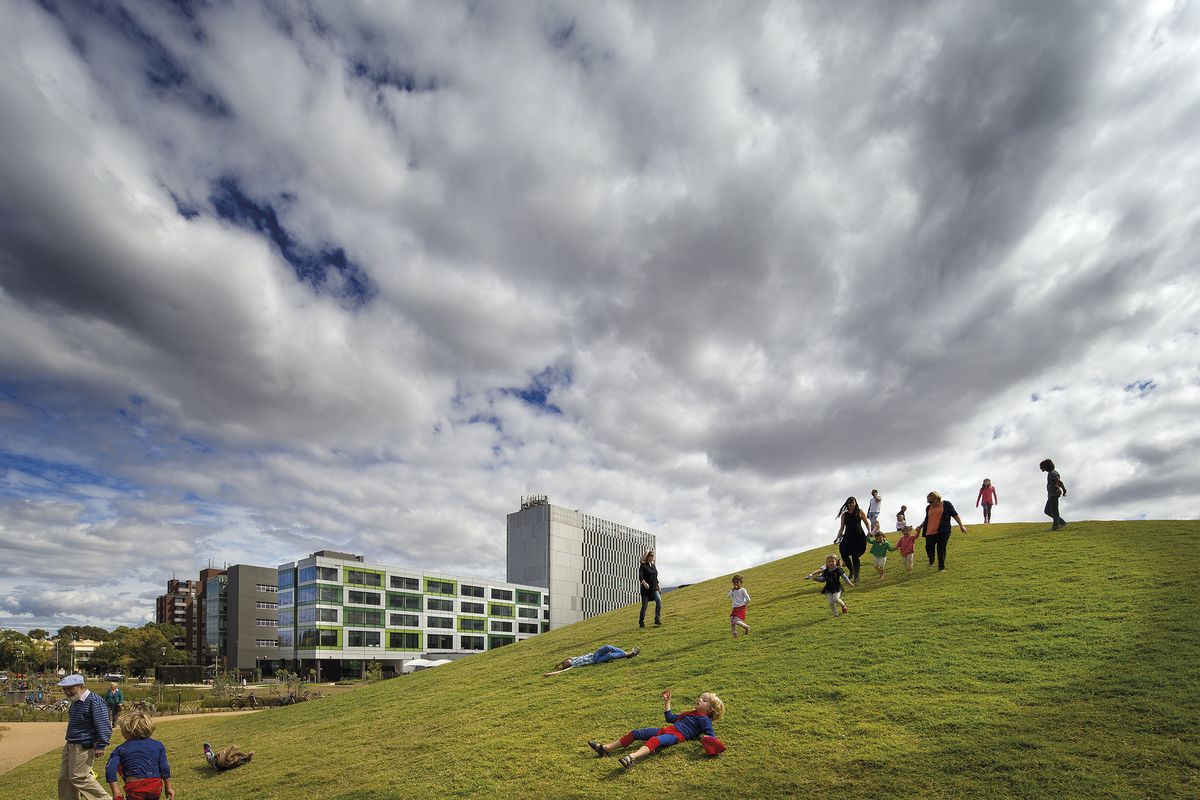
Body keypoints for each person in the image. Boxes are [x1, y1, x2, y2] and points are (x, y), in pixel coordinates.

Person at [587, 689, 724, 768]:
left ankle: (631, 757)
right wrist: (667, 702)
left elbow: (711, 735)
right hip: (667, 729)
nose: (699, 700)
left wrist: (706, 739)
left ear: (710, 709)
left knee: (655, 740)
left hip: (676, 736)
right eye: (700, 698)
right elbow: (670, 718)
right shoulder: (689, 713)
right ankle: (606, 748)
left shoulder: (704, 720)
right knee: (636, 733)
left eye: (704, 700)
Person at [57, 673, 111, 800]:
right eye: (65, 689)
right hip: (71, 743)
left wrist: (102, 744)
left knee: (79, 777)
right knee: (64, 779)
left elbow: (104, 724)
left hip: (84, 745)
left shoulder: (94, 701)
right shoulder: (76, 701)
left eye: (71, 688)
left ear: (81, 686)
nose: (67, 692)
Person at [106, 711, 173, 800]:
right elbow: (164, 767)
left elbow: (110, 768)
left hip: (134, 787)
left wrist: (116, 791)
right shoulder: (158, 745)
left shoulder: (120, 749)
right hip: (154, 785)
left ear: (128, 731)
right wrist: (168, 787)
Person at [916, 491, 968, 571]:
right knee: (929, 547)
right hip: (930, 531)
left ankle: (941, 567)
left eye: (931, 501)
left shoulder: (946, 504)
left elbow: (955, 515)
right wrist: (920, 526)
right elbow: (927, 519)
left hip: (943, 531)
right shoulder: (928, 507)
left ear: (937, 498)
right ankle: (931, 559)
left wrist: (961, 526)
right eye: (929, 501)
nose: (930, 503)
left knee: (941, 548)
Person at [542, 645, 640, 677]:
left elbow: (568, 657)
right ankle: (629, 654)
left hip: (595, 654)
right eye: (565, 664)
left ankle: (627, 654)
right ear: (567, 666)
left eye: (565, 662)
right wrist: (550, 673)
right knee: (612, 656)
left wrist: (559, 663)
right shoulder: (574, 665)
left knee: (607, 647)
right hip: (596, 660)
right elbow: (561, 671)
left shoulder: (574, 659)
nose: (566, 662)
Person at [834, 497, 869, 584]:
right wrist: (837, 537)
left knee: (855, 556)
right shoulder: (844, 515)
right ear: (847, 504)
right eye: (850, 503)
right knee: (843, 553)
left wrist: (869, 531)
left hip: (858, 537)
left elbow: (866, 522)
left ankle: (856, 578)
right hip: (848, 537)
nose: (852, 505)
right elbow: (841, 528)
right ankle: (851, 571)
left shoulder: (860, 511)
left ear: (855, 503)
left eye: (853, 503)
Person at [1040, 459, 1067, 530]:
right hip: (1052, 494)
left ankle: (1055, 527)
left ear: (1046, 467)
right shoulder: (1053, 472)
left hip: (1054, 494)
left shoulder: (1052, 473)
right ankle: (1062, 523)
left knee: (1055, 512)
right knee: (1047, 511)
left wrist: (1064, 489)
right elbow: (1056, 482)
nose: (1041, 469)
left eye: (1042, 467)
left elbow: (1059, 482)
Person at [638, 550, 662, 628]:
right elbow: (641, 577)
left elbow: (655, 577)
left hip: (654, 588)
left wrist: (659, 586)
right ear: (647, 556)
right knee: (644, 606)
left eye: (653, 555)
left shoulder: (653, 566)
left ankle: (657, 619)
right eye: (651, 555)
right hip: (646, 590)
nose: (652, 557)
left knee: (659, 601)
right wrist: (644, 583)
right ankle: (641, 622)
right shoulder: (643, 566)